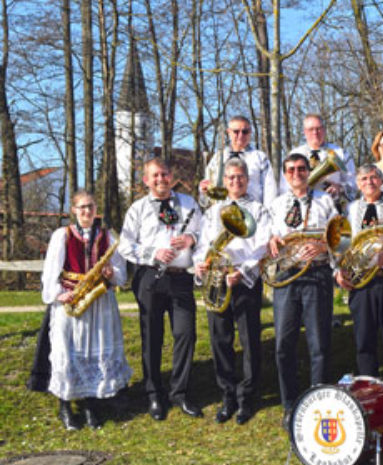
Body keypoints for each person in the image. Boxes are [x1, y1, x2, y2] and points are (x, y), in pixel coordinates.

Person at [119, 157, 204, 421]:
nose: (161, 179)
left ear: (171, 176)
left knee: (186, 334)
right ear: (146, 180)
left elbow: (205, 236)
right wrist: (153, 252)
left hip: (180, 278)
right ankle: (154, 394)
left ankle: (179, 392)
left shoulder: (189, 204)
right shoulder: (138, 208)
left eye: (164, 174)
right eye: (155, 176)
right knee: (151, 337)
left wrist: (192, 239)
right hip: (150, 277)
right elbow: (125, 245)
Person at [42, 191, 132, 430]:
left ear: (96, 209)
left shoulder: (107, 237)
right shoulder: (61, 235)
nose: (86, 212)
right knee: (68, 352)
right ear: (73, 210)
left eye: (90, 207)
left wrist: (112, 274)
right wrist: (58, 293)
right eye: (81, 207)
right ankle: (65, 407)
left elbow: (121, 274)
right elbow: (51, 272)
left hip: (99, 303)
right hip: (71, 301)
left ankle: (92, 404)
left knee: (95, 352)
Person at [266, 153, 339, 429]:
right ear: (285, 175)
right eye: (291, 169)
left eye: (301, 169)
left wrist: (323, 247)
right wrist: (271, 239)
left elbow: (340, 237)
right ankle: (290, 404)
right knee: (284, 345)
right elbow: (268, 235)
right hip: (287, 275)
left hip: (317, 274)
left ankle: (317, 402)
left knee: (319, 344)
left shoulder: (325, 201)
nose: (296, 173)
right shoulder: (275, 205)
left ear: (308, 172)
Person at [194, 158, 270, 425]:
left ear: (247, 180)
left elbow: (262, 246)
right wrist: (200, 264)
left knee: (250, 341)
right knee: (220, 341)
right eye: (230, 178)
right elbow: (203, 242)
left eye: (240, 177)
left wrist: (243, 271)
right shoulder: (213, 211)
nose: (235, 182)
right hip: (216, 279)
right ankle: (228, 396)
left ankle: (248, 397)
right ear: (223, 181)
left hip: (245, 279)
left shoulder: (259, 210)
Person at [335, 164, 383, 399]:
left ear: (381, 181)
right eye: (364, 179)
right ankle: (368, 391)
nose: (369, 182)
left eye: (373, 177)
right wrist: (339, 270)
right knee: (364, 339)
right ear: (358, 184)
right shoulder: (351, 209)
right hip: (361, 284)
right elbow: (342, 245)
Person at [199, 115, 278, 208]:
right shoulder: (217, 158)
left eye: (245, 132)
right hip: (221, 213)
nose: (241, 136)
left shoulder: (260, 158)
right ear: (228, 132)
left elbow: (270, 191)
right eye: (236, 132)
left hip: (251, 213)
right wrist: (203, 192)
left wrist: (266, 215)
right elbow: (205, 199)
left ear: (250, 133)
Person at [279, 114, 356, 201]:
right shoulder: (293, 154)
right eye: (311, 129)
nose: (315, 132)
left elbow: (353, 184)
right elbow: (284, 186)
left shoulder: (341, 153)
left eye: (318, 128)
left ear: (324, 130)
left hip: (332, 205)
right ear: (304, 132)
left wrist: (340, 188)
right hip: (302, 204)